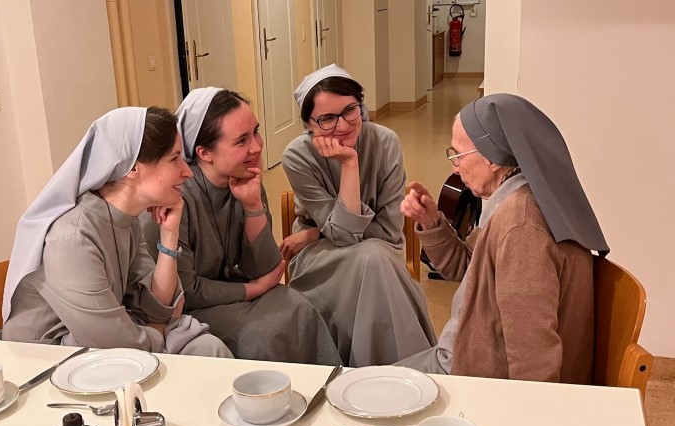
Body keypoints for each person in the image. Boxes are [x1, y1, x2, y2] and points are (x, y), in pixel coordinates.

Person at [396, 93, 609, 383]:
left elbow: (533, 353)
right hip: (468, 354)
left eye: (458, 155)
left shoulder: (521, 226)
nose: (454, 167)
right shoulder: (517, 196)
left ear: (491, 157)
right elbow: (466, 268)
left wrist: (522, 411)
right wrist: (431, 222)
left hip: (474, 375)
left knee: (363, 390)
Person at [2, 106, 232, 358]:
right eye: (174, 158)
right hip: (51, 358)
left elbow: (161, 307)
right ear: (132, 168)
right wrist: (157, 331)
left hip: (111, 339)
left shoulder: (125, 218)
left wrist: (169, 235)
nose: (187, 171)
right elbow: (111, 341)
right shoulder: (71, 238)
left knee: (209, 347)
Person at [141, 88, 341, 365]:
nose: (257, 147)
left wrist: (252, 206)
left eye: (255, 132)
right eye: (241, 141)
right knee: (264, 335)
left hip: (232, 289)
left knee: (300, 308)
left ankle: (324, 388)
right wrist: (255, 289)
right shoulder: (175, 198)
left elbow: (264, 269)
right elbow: (187, 291)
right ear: (204, 152)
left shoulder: (246, 179)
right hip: (186, 309)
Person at [281, 65, 436, 367]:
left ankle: (367, 372)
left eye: (350, 110)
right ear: (308, 124)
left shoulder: (385, 141)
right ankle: (408, 370)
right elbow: (343, 237)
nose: (342, 125)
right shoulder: (297, 156)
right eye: (327, 118)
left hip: (377, 249)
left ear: (360, 106)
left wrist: (314, 232)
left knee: (373, 257)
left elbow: (389, 232)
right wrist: (350, 164)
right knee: (371, 259)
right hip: (319, 259)